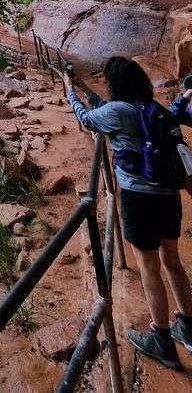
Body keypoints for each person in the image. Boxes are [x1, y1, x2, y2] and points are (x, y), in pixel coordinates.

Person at [65, 55, 192, 370]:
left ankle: (161, 339)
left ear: (116, 83)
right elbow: (102, 105)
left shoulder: (117, 112)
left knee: (148, 267)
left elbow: (86, 118)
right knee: (172, 262)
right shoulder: (156, 109)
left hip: (139, 199)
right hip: (169, 197)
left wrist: (69, 91)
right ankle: (188, 326)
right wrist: (84, 86)